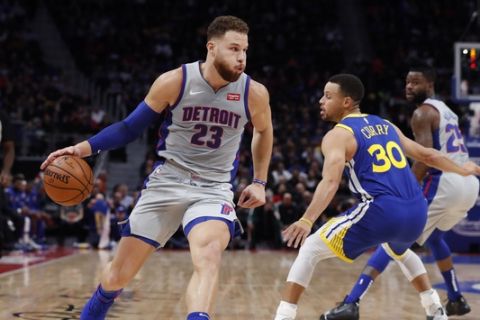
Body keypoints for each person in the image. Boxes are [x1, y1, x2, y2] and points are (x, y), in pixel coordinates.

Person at [41, 16, 273, 320]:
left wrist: (260, 181)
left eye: (245, 50)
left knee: (208, 255)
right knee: (116, 277)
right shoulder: (174, 81)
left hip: (214, 189)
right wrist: (80, 149)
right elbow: (129, 128)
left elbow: (264, 131)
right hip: (168, 181)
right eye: (233, 49)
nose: (241, 57)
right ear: (211, 47)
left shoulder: (253, 92)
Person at [273, 74, 480, 320]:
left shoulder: (338, 135)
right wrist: (463, 168)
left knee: (310, 249)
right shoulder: (386, 124)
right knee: (399, 251)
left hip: (382, 210)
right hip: (416, 211)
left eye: (328, 96)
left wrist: (307, 220)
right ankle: (435, 309)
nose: (321, 101)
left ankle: (283, 316)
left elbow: (330, 182)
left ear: (347, 102)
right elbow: (428, 155)